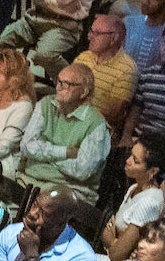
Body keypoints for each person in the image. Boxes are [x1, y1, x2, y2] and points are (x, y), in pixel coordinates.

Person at [12, 63, 110, 201]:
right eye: (59, 81)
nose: (59, 87)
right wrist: (65, 153)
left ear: (84, 92)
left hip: (68, 193)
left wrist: (44, 157)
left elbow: (82, 170)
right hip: (28, 181)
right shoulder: (45, 104)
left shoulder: (96, 124)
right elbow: (27, 147)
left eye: (67, 84)